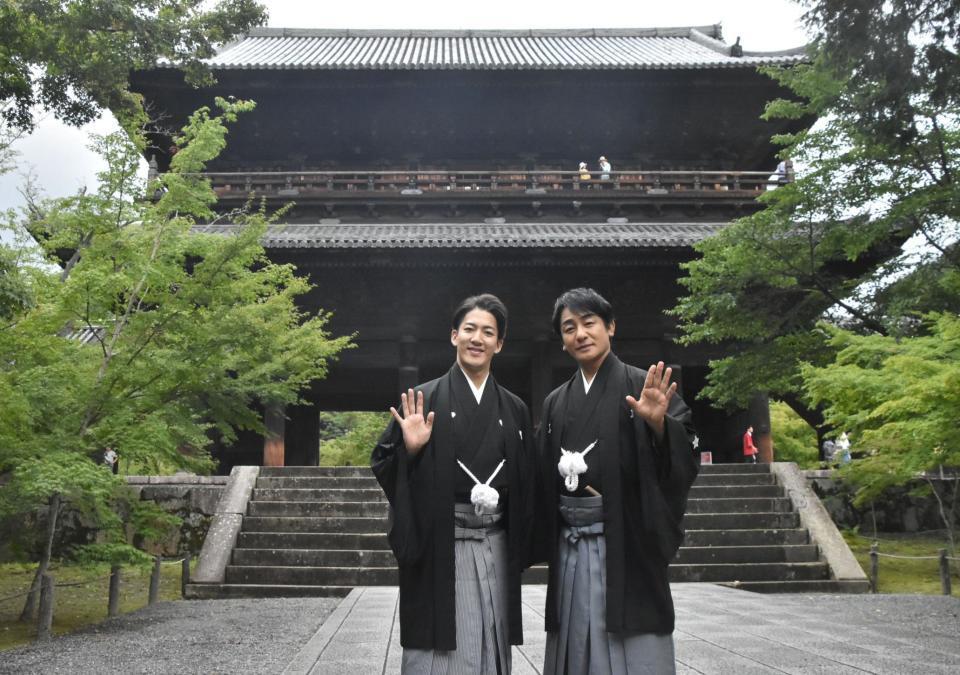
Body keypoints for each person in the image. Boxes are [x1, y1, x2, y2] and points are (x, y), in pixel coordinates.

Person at [532, 287, 698, 675]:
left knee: (631, 648)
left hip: (627, 541)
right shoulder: (556, 401)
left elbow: (683, 457)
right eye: (569, 327)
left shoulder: (645, 386)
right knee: (573, 643)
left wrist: (659, 425)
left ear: (610, 327)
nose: (580, 334)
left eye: (589, 323)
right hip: (571, 545)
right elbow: (539, 472)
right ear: (562, 341)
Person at [371, 294, 535, 674]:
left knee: (491, 637)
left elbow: (528, 478)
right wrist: (410, 451)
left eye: (488, 332)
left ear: (500, 343)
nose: (477, 338)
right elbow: (383, 461)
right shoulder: (424, 398)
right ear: (454, 336)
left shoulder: (515, 408)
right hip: (440, 543)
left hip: (495, 540)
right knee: (439, 645)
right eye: (470, 329)